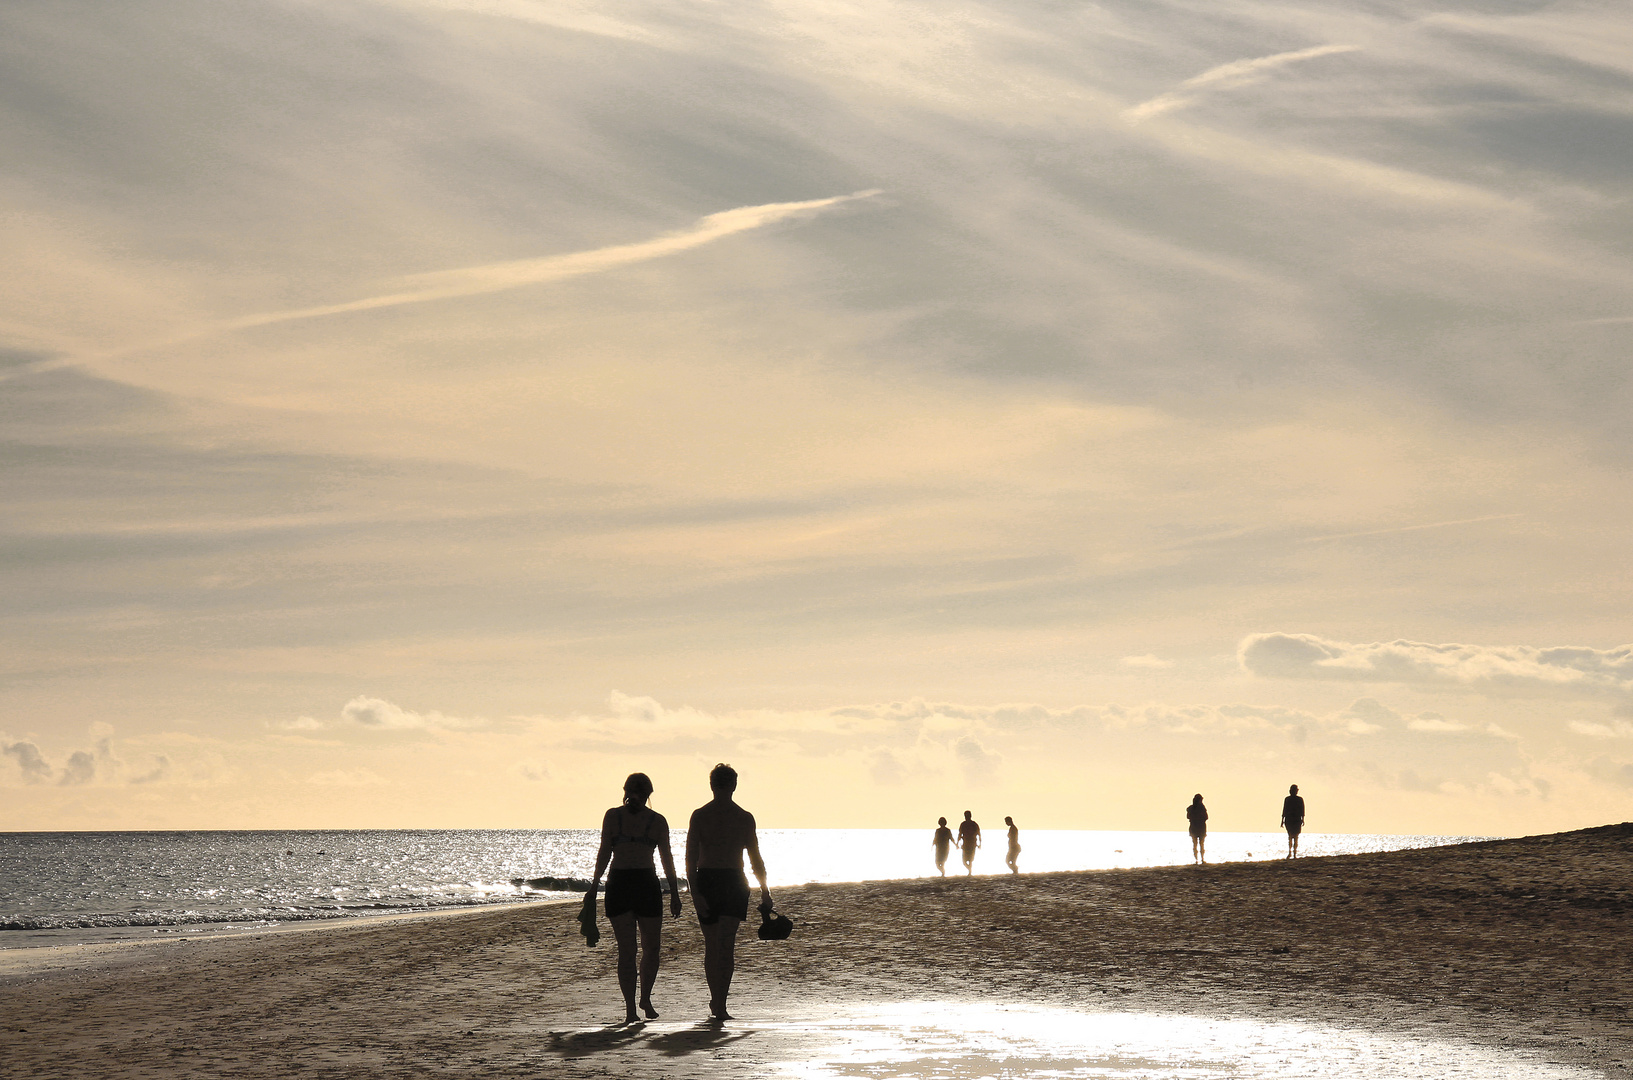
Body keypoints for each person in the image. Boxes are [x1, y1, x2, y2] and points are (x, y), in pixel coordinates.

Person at [588, 772, 682, 1024]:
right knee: (639, 950)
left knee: (639, 950)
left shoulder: (638, 819)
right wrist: (594, 884)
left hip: (630, 884)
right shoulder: (625, 817)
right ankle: (636, 1004)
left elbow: (666, 858)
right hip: (633, 884)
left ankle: (638, 1003)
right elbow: (605, 851)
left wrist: (674, 892)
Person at [686, 763, 771, 1021]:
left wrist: (695, 892)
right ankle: (719, 1002)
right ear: (734, 785)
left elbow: (690, 860)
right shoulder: (744, 817)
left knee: (713, 945)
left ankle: (718, 1001)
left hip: (709, 879)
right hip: (733, 879)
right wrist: (765, 890)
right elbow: (756, 859)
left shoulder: (700, 815)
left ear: (712, 785)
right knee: (726, 945)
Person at [1281, 784, 1306, 858]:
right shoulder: (1289, 799)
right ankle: (1292, 852)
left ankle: (1293, 853)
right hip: (1291, 819)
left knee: (1294, 837)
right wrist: (1282, 820)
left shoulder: (1297, 799)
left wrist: (1302, 819)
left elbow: (1302, 810)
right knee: (1293, 836)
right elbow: (1284, 809)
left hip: (1294, 819)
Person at [957, 810, 981, 875]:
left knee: (969, 860)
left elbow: (979, 834)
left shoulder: (973, 824)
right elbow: (960, 834)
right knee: (965, 860)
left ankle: (970, 872)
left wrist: (980, 844)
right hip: (967, 843)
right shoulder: (964, 824)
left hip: (971, 843)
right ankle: (969, 870)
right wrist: (957, 843)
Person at [1186, 794, 1208, 864]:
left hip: (1194, 827)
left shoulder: (1191, 808)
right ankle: (1201, 859)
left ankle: (1197, 859)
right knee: (1201, 844)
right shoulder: (1202, 808)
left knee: (1195, 844)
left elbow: (1188, 817)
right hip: (1200, 827)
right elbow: (1206, 817)